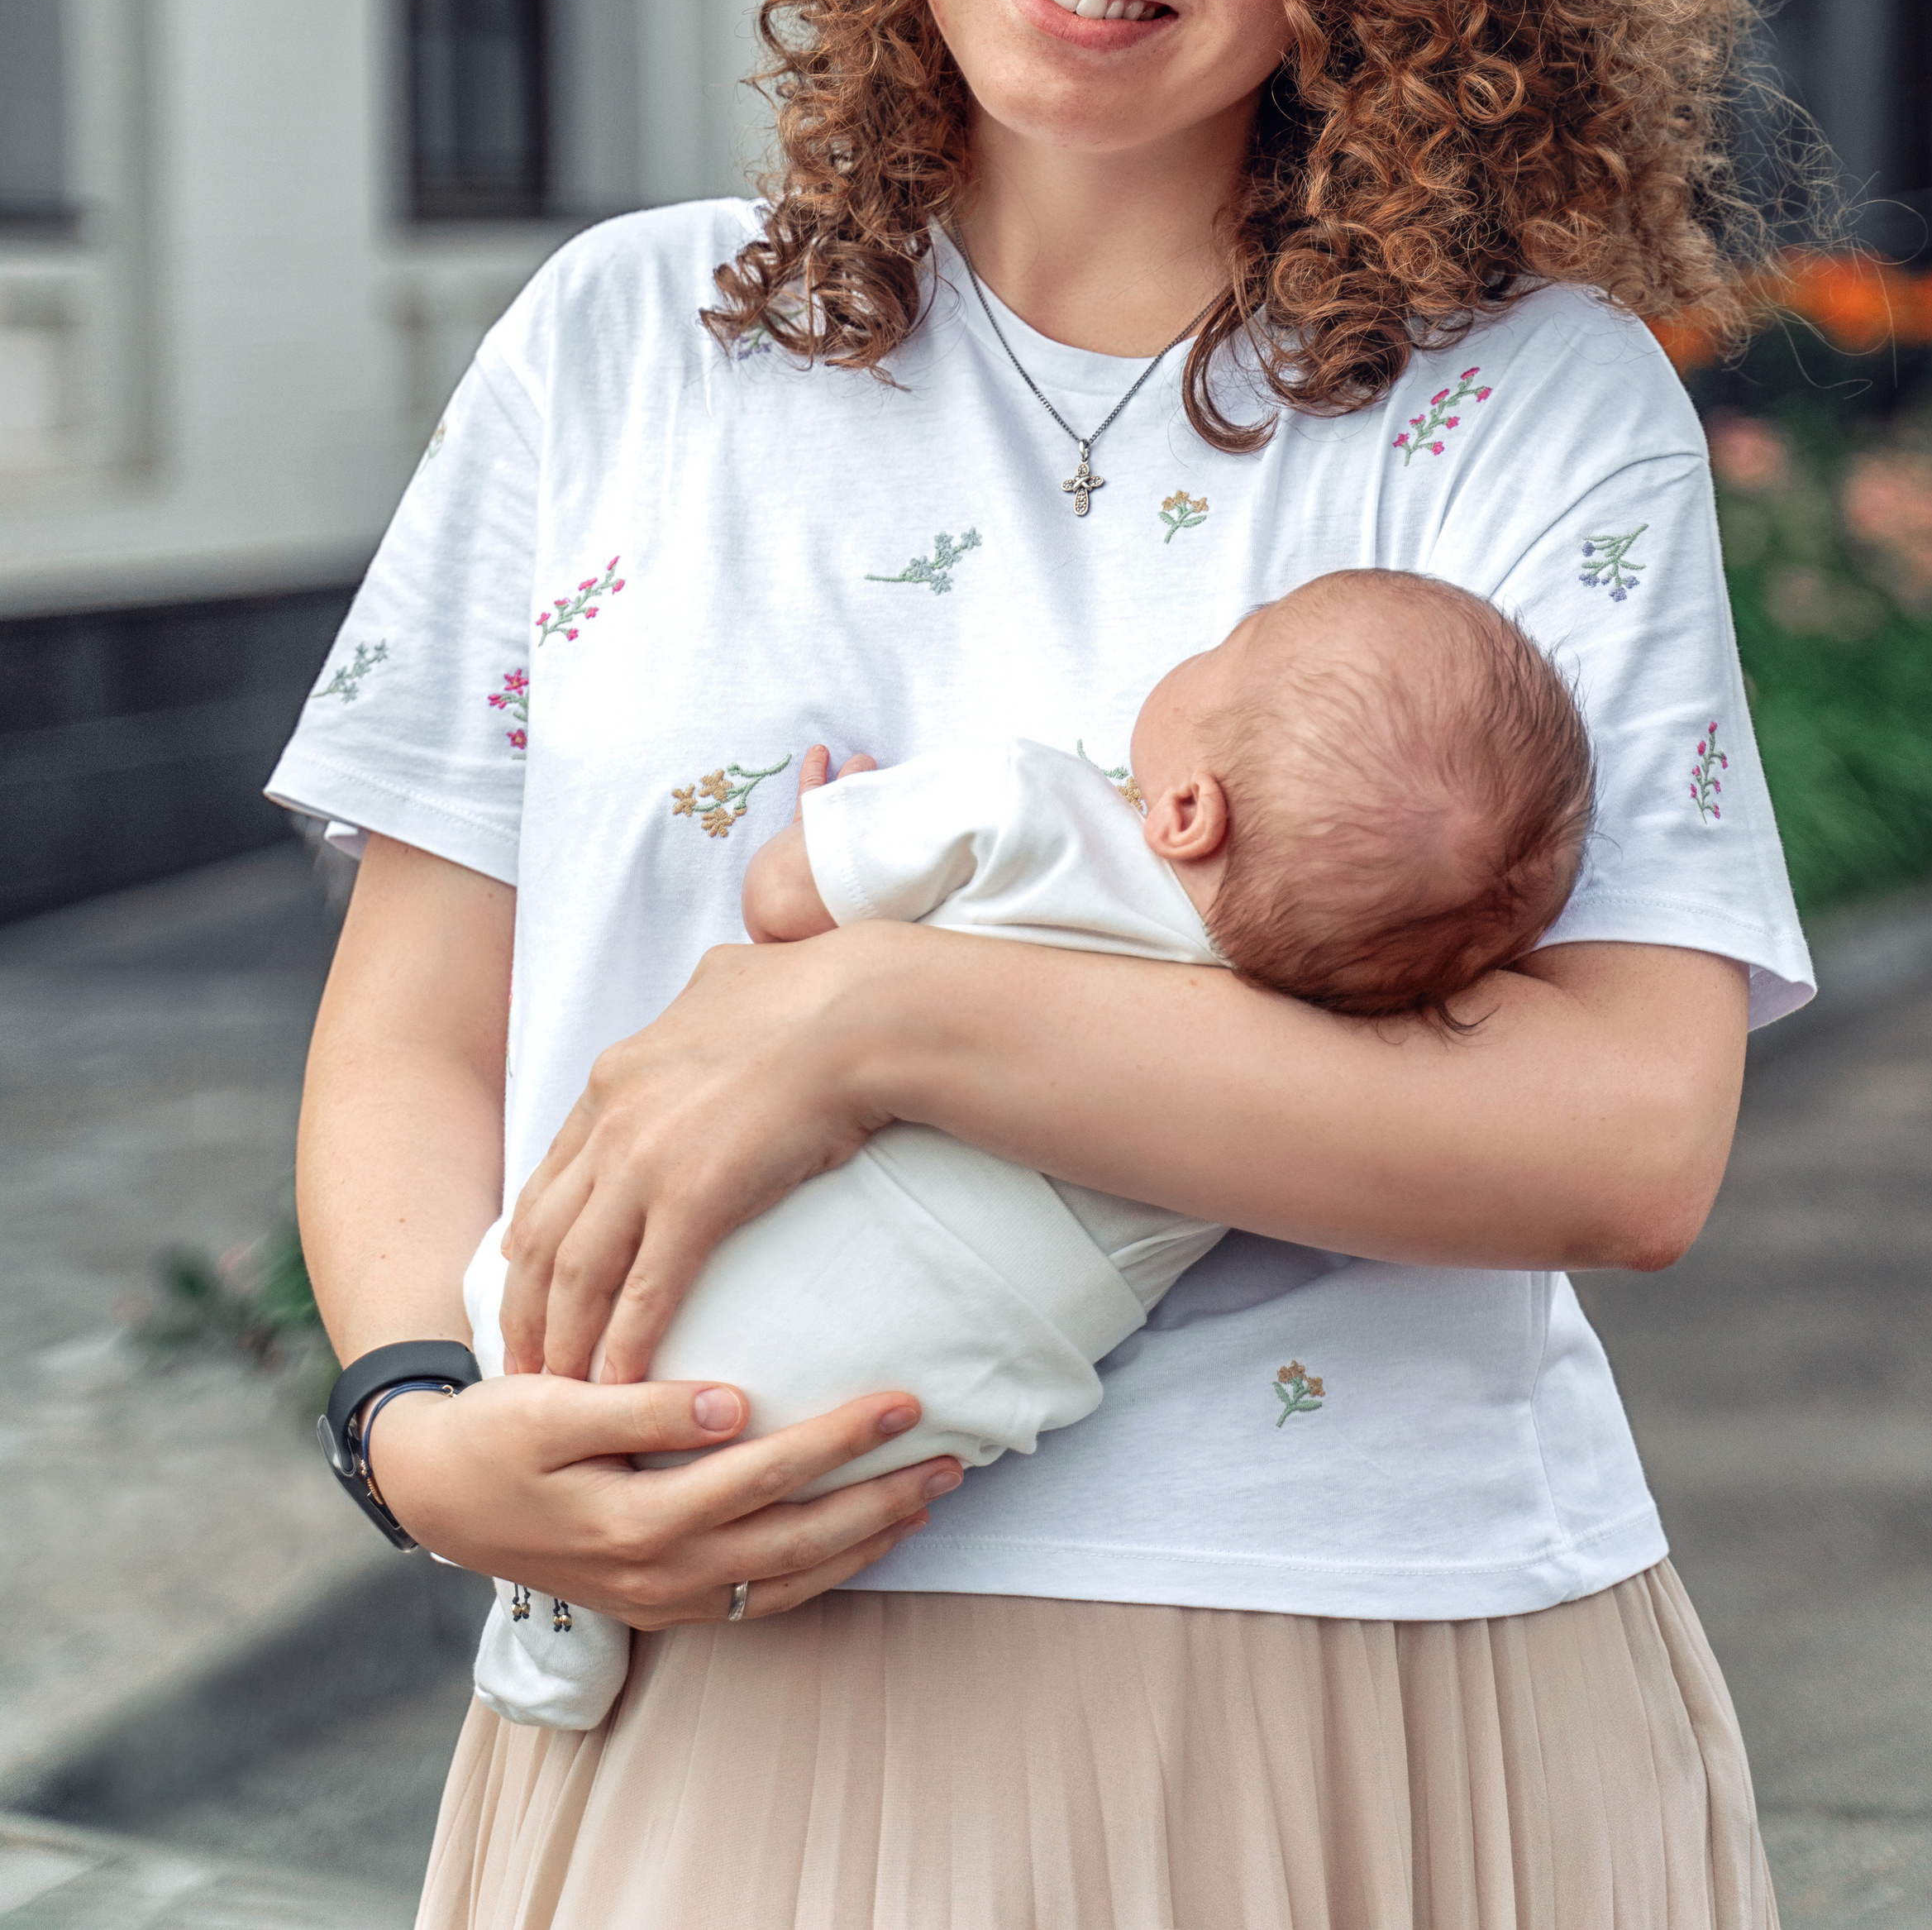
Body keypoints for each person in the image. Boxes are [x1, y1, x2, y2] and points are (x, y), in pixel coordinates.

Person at [278, 0, 1812, 1930]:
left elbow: (1620, 1136)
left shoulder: (1527, 399)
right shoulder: (619, 340)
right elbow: (420, 1014)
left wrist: (880, 1016)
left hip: (1382, 1686)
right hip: (709, 1685)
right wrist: (416, 1415)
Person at [465, 568, 1597, 1731]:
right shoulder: (1301, 1071)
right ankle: (561, 1605)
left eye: (1234, 643)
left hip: (627, 1312)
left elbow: (779, 899)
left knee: (524, 1294)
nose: (1209, 639)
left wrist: (850, 829)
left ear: (1188, 810)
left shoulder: (1035, 812)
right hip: (859, 1440)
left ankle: (549, 1595)